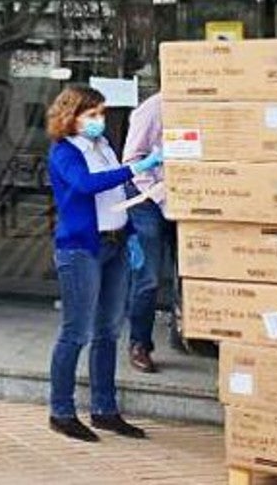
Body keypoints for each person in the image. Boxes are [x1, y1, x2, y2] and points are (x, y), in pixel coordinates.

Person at [45, 85, 162, 442]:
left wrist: (130, 237)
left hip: (114, 244)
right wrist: (136, 168)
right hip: (82, 248)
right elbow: (85, 185)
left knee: (108, 331)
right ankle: (61, 410)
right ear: (71, 116)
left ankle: (104, 408)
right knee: (76, 331)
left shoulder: (105, 146)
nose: (100, 120)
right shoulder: (64, 151)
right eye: (91, 114)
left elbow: (117, 196)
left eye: (102, 113)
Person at [120, 92, 175, 373]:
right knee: (148, 275)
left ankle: (188, 333)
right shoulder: (153, 109)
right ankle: (139, 343)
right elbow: (132, 161)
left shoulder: (205, 105)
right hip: (147, 197)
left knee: (188, 272)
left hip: (184, 199)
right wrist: (161, 198)